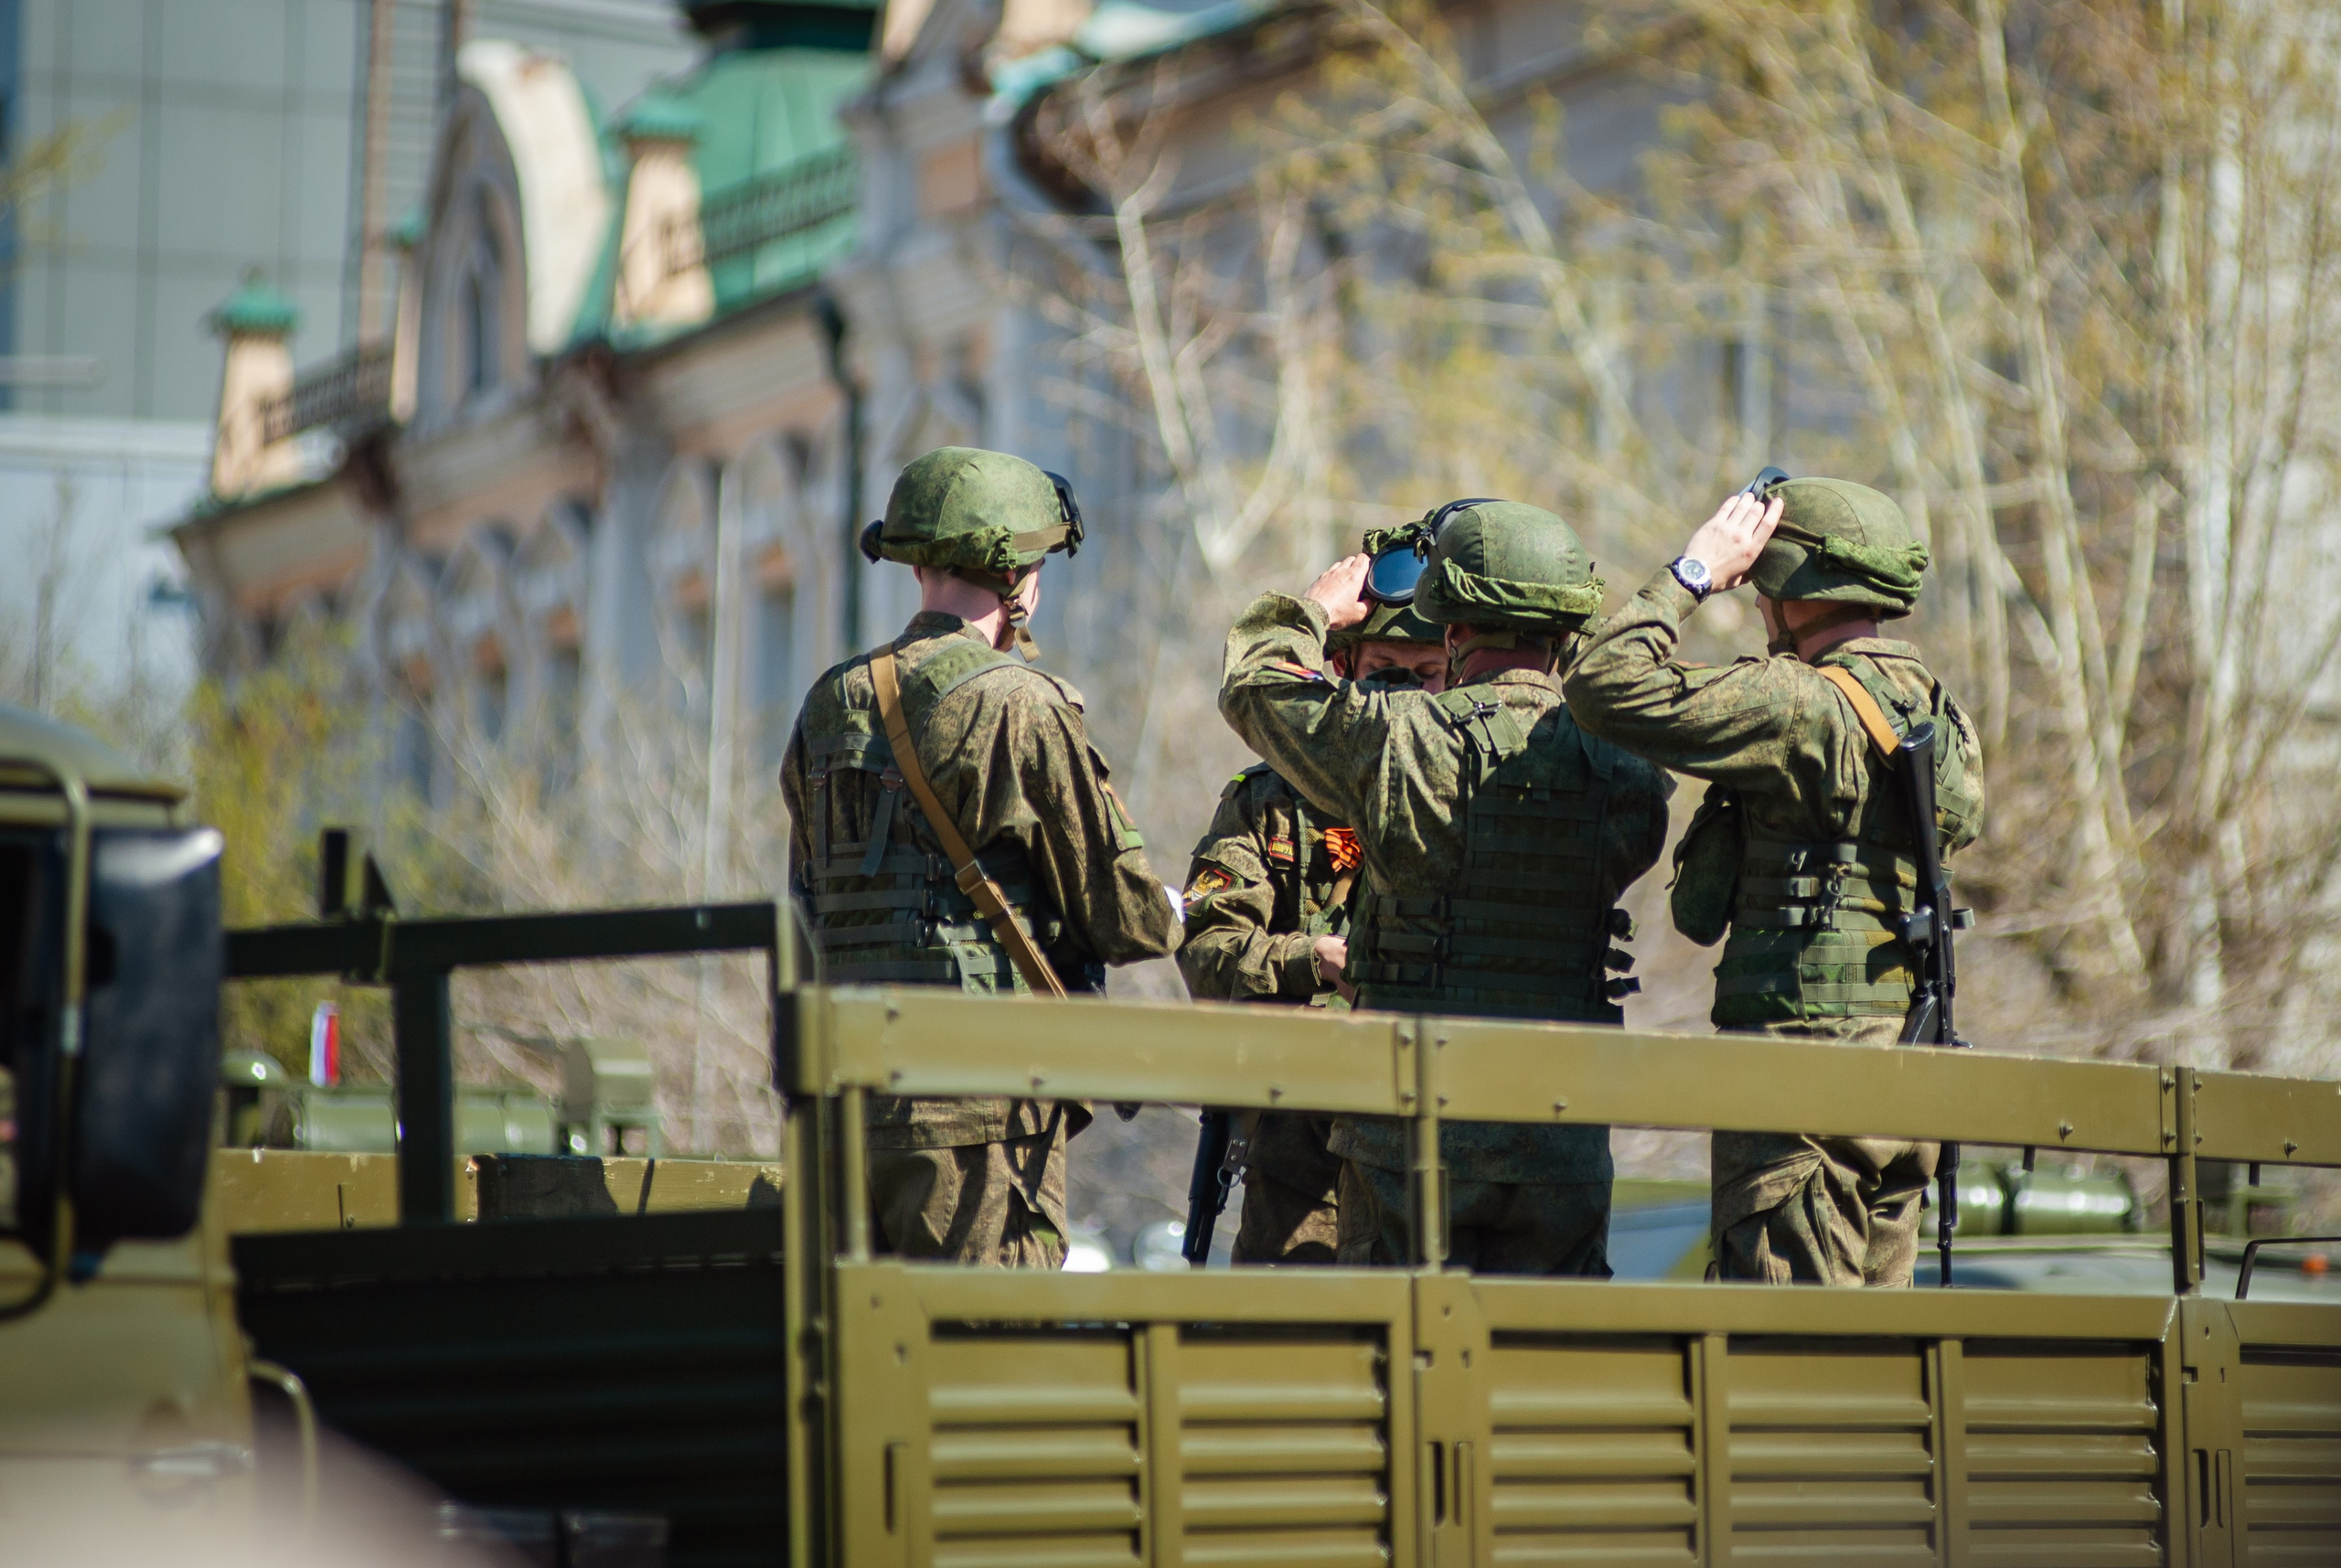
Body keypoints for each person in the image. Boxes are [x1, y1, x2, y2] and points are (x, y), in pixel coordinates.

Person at [1219, 501, 1672, 1274]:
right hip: (1556, 1130)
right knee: (1546, 1357)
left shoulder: (1396, 744)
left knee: (1398, 1357)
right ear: (1566, 635)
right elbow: (1621, 697)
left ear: (1453, 633)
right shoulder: (1626, 770)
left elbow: (1255, 680)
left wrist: (1314, 610)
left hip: (1411, 1135)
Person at [1564, 478, 1984, 1287]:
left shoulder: (1797, 702)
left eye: (1761, 587)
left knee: (1783, 1364)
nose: (1756, 605)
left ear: (1791, 589)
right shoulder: (1940, 712)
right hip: (1906, 1070)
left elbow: (1602, 683)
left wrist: (1694, 571)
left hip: (1806, 1080)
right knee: (1871, 1359)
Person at [781, 445, 1181, 1268]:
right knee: (989, 1363)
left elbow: (809, 897)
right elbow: (1124, 919)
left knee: (862, 1366)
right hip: (978, 1111)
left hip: (846, 1097)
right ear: (1019, 577)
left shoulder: (831, 700)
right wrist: (1177, 908)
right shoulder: (1020, 703)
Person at [1178, 597, 1448, 1264]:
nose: (1403, 692)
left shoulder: (1478, 789)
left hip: (1434, 1142)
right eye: (1385, 668)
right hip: (1300, 1151)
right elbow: (1207, 949)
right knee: (1287, 1347)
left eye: (1426, 672)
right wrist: (1312, 959)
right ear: (1343, 666)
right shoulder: (1268, 801)